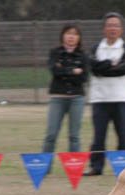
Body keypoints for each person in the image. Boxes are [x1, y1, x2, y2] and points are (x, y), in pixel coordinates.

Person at [84, 12, 125, 176]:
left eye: (116, 25)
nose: (112, 28)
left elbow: (124, 69)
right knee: (98, 136)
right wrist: (111, 64)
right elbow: (92, 67)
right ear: (104, 29)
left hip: (122, 97)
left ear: (121, 29)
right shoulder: (96, 48)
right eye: (109, 25)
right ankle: (96, 167)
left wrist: (103, 68)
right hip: (99, 98)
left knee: (123, 135)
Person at [42, 24, 89, 170]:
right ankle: (44, 167)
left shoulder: (84, 55)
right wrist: (74, 71)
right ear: (63, 35)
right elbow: (55, 71)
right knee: (51, 134)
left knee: (74, 136)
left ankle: (74, 168)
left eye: (75, 34)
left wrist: (64, 70)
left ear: (79, 38)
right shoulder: (54, 52)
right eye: (68, 33)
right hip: (57, 98)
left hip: (77, 99)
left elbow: (84, 77)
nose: (71, 36)